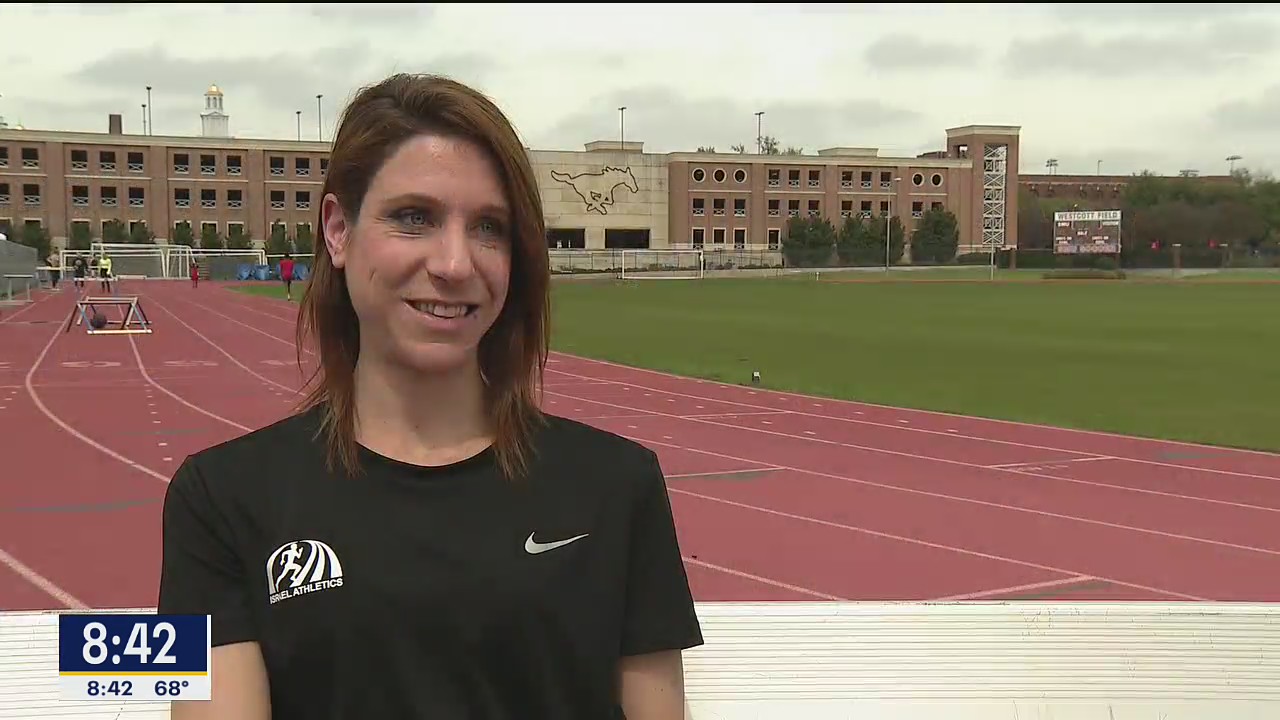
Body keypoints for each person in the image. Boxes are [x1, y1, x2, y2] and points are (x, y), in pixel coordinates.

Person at [157, 73, 703, 720]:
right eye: (414, 218)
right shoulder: (217, 501)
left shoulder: (619, 487)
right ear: (337, 230)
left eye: (490, 228)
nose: (454, 263)